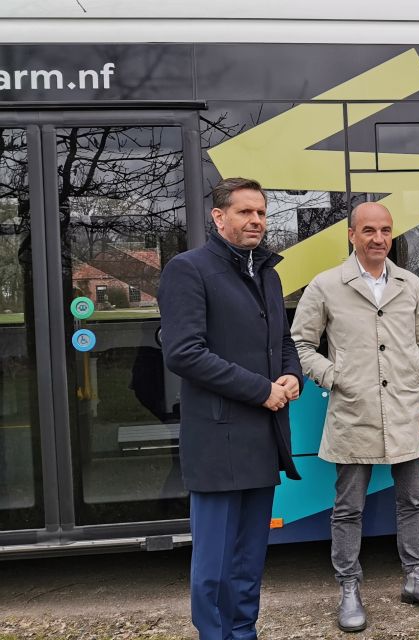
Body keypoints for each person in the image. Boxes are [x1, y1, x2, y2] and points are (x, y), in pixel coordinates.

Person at [290, 202, 419, 632]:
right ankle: (348, 588)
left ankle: (415, 579)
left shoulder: (410, 284)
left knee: (414, 501)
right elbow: (301, 344)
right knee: (347, 509)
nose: (379, 239)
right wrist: (335, 376)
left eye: (385, 231)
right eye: (369, 231)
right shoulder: (325, 286)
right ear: (351, 234)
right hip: (353, 414)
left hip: (406, 412)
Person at [160, 177, 302, 640]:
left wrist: (291, 374)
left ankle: (245, 632)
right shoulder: (189, 269)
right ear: (219, 217)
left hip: (263, 437)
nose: (256, 221)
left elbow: (282, 341)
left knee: (248, 559)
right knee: (215, 564)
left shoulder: (269, 272)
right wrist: (261, 389)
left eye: (261, 212)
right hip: (218, 441)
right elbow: (184, 353)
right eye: (245, 212)